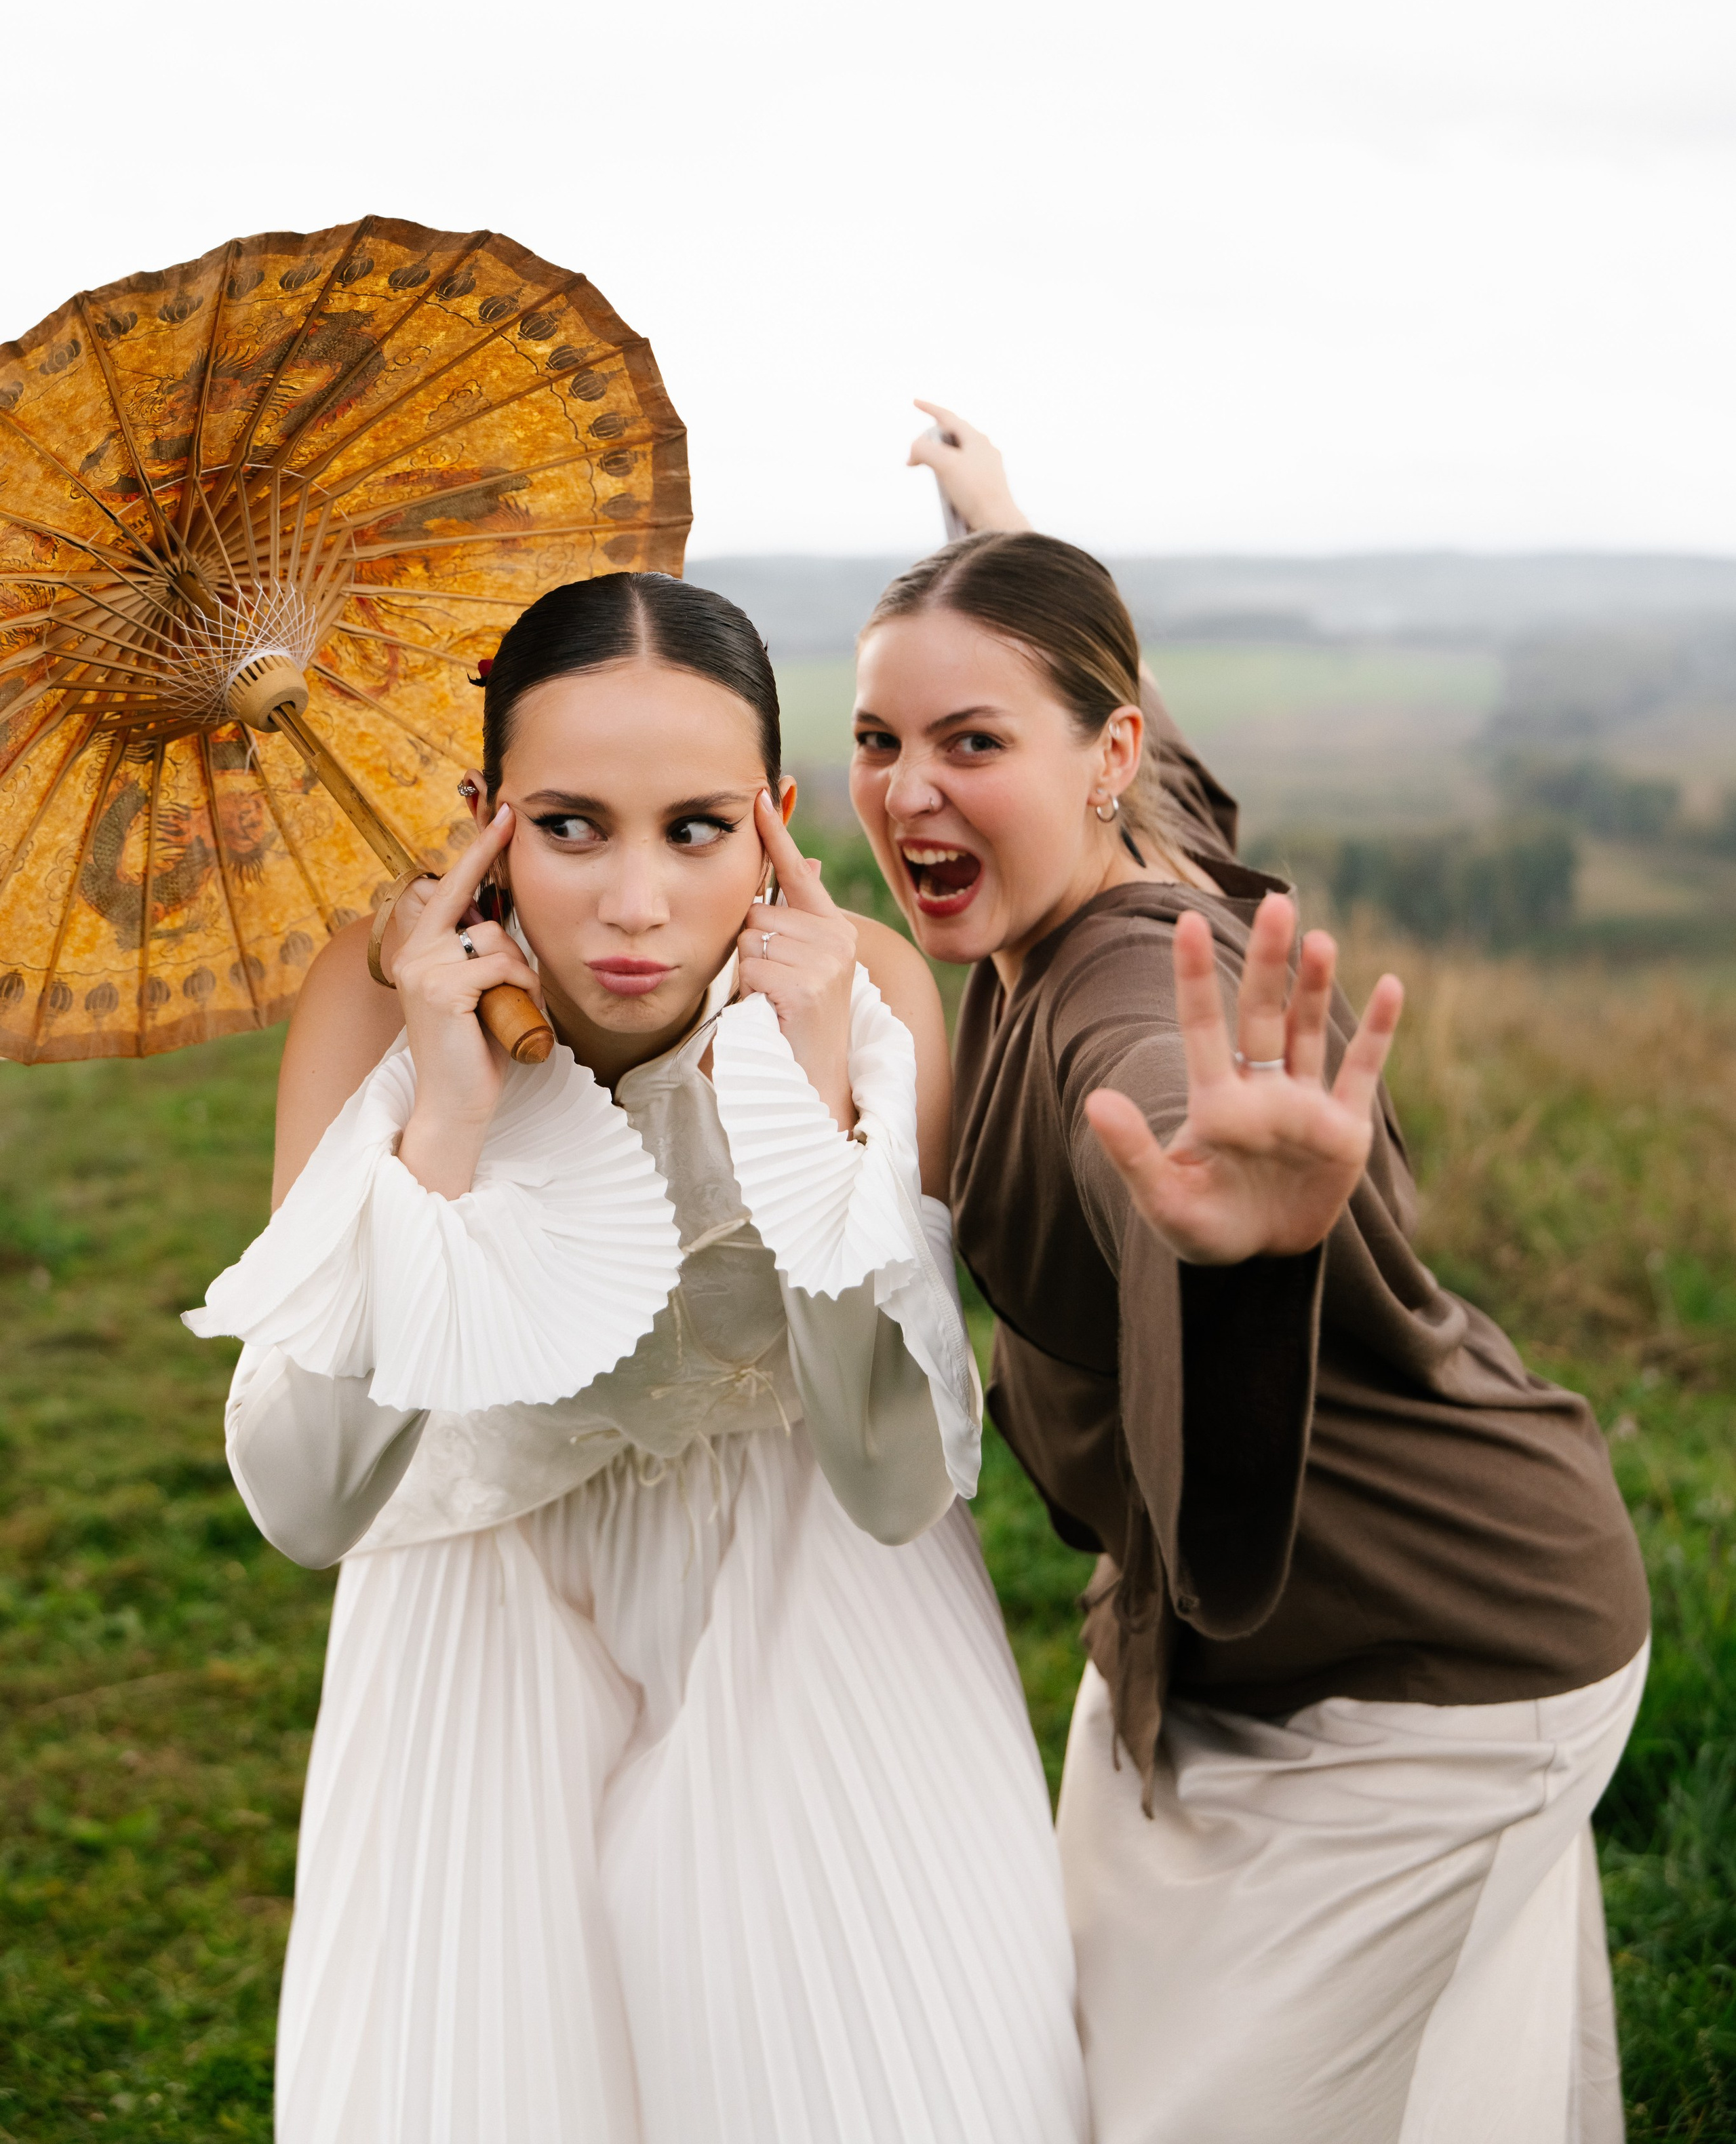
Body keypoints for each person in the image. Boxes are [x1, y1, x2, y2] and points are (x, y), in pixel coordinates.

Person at [183, 568, 1091, 2144]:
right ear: (484, 814)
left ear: (774, 817)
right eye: (568, 823)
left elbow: (887, 1478)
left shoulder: (861, 990)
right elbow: (306, 1499)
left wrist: (809, 1122)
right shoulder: (380, 992)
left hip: (810, 1582)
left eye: (693, 826)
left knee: (875, 2069)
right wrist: (445, 1125)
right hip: (476, 1606)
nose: (632, 902)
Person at [843, 410, 1652, 2144]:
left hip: (1429, 1649)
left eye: (968, 738)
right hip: (1224, 1661)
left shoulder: (1125, 1013)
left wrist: (1223, 1253)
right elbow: (1161, 759)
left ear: (1096, 752)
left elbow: (1140, 1095)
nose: (907, 789)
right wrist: (1006, 538)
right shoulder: (1118, 837)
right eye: (876, 738)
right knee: (1068, 2045)